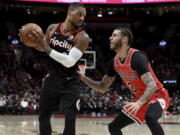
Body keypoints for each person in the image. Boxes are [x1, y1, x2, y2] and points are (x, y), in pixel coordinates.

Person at [78, 27, 170, 135]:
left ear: (124, 39)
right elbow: (102, 88)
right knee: (113, 127)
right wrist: (83, 78)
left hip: (157, 95)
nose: (110, 38)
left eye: (114, 35)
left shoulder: (137, 57)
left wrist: (139, 103)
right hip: (139, 100)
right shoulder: (114, 62)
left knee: (150, 117)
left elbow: (152, 85)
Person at [20, 2, 89, 135]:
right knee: (43, 116)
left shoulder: (82, 37)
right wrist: (32, 42)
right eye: (79, 14)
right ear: (69, 13)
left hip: (71, 81)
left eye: (84, 16)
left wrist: (45, 46)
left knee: (70, 117)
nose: (82, 18)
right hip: (51, 78)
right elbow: (43, 47)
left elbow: (69, 62)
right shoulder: (52, 28)